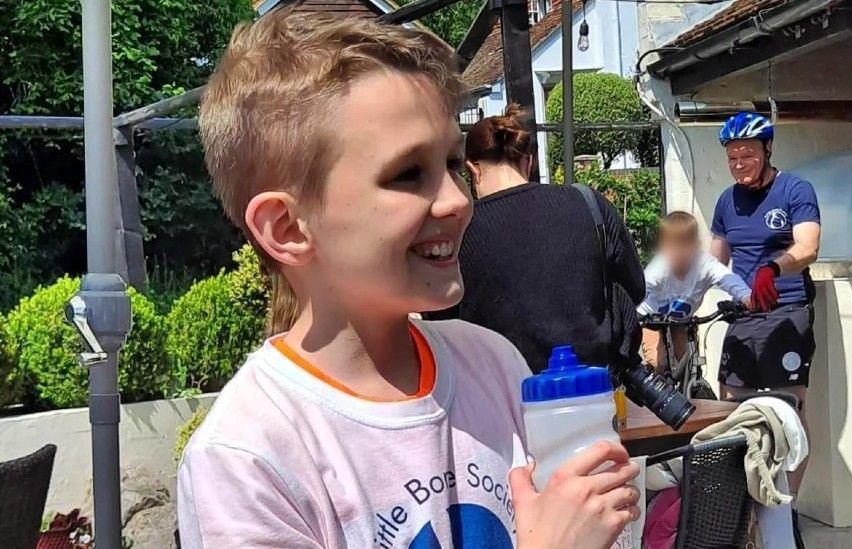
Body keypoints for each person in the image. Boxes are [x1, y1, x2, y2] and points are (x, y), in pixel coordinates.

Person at [176, 10, 639, 548]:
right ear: (286, 228)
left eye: (452, 163)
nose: (457, 200)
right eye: (406, 175)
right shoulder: (248, 458)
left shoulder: (492, 365)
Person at [428, 104, 646, 376]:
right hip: (594, 388)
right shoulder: (588, 203)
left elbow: (441, 319)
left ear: (473, 169)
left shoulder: (460, 229)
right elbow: (635, 287)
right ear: (528, 162)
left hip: (501, 392)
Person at [710, 112, 820, 538]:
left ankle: (786, 505)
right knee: (732, 407)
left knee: (788, 410)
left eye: (748, 155)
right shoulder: (726, 201)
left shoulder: (795, 189)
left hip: (786, 311)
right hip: (745, 313)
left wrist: (774, 268)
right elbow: (716, 261)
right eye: (733, 157)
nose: (740, 164)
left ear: (766, 150)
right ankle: (750, 505)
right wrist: (682, 293)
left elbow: (808, 246)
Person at [638, 211, 752, 373]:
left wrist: (747, 296)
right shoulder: (659, 267)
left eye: (684, 246)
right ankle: (654, 393)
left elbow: (727, 278)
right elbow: (641, 288)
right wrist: (630, 310)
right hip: (650, 317)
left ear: (696, 245)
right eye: (672, 247)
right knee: (658, 363)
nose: (678, 253)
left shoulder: (704, 264)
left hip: (682, 320)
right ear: (663, 248)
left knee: (689, 362)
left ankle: (692, 390)